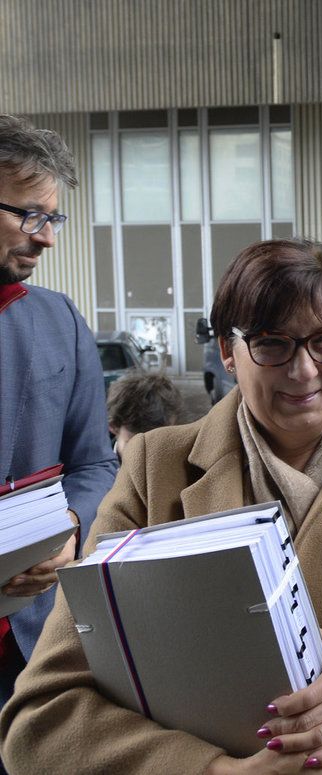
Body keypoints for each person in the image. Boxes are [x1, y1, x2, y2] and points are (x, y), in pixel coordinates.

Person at [0, 239, 322, 774]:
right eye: (272, 343)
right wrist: (212, 771)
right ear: (229, 352)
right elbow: (41, 719)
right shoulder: (155, 472)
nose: (303, 370)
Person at [0, 114, 117, 718]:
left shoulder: (61, 320)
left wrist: (68, 527)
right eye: (28, 214)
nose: (46, 237)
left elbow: (96, 462)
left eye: (53, 218)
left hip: (35, 645)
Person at [106, 372, 184, 461]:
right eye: (135, 447)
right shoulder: (97, 467)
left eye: (160, 445)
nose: (147, 459)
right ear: (113, 426)